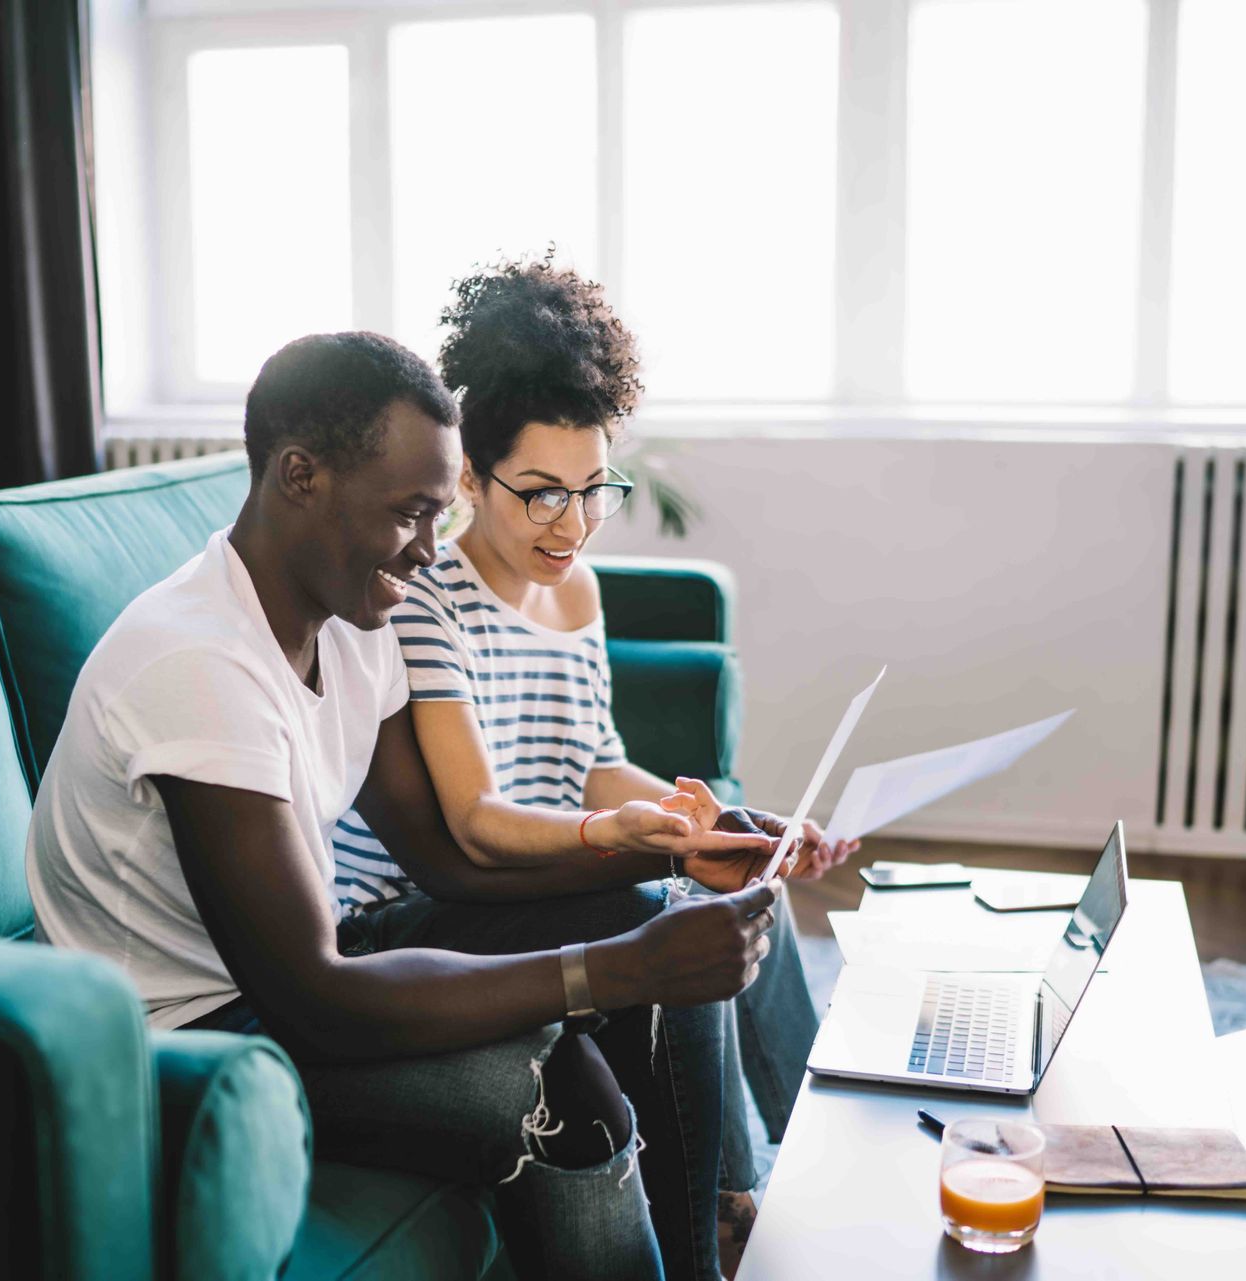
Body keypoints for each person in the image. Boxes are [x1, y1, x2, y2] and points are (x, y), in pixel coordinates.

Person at [26, 331, 785, 1281]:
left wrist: (671, 855)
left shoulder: (352, 622)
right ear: (300, 475)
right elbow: (317, 998)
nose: (431, 549)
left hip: (308, 969)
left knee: (665, 916)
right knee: (562, 1091)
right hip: (187, 1043)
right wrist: (612, 969)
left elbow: (444, 858)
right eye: (412, 514)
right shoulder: (198, 664)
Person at [329, 255, 858, 1270]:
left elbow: (593, 760)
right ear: (470, 479)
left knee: (745, 876)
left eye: (592, 491)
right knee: (683, 909)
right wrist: (629, 840)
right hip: (409, 915)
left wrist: (691, 817)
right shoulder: (428, 597)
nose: (570, 526)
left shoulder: (576, 591)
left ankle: (806, 1162)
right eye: (537, 495)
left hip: (527, 878)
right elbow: (475, 816)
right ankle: (714, 1222)